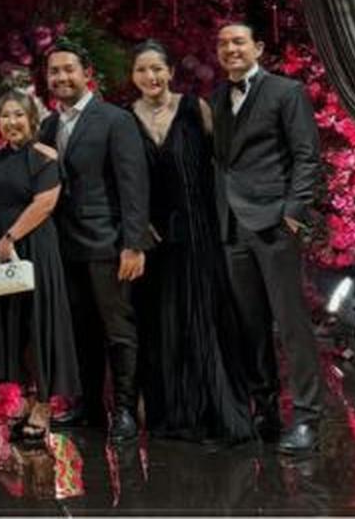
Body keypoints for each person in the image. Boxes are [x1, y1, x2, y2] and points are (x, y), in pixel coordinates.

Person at [127, 39, 254, 443]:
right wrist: (136, 226)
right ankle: (172, 413)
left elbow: (228, 162)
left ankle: (216, 411)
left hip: (200, 230)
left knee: (204, 316)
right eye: (142, 69)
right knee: (161, 322)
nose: (151, 76)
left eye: (157, 68)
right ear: (133, 76)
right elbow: (121, 181)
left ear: (169, 71)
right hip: (153, 237)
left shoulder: (195, 108)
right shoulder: (124, 119)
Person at [209, 22, 324, 453]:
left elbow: (307, 156)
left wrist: (292, 215)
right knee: (251, 326)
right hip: (233, 227)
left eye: (238, 41)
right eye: (223, 43)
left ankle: (308, 418)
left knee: (291, 325)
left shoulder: (285, 91)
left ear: (257, 47)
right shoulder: (218, 98)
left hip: (274, 224)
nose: (230, 49)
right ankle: (266, 410)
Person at [39, 39, 148, 442]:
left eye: (68, 69)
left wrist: (133, 243)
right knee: (79, 329)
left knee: (117, 329)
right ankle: (87, 406)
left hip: (108, 243)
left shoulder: (115, 119)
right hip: (64, 245)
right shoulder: (48, 126)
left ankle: (124, 410)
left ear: (86, 73)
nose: (61, 77)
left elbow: (133, 184)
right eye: (54, 71)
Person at [0, 90, 81, 443]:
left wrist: (10, 237)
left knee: (38, 326)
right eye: (5, 116)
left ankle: (45, 405)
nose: (12, 122)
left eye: (18, 115)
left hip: (33, 248)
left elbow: (45, 203)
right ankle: (26, 397)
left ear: (32, 119)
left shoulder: (44, 157)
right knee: (12, 326)